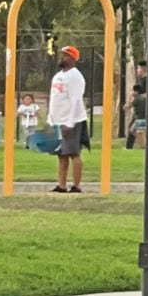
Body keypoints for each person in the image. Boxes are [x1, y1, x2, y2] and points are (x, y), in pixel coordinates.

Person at [47, 45, 89, 192]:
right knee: (61, 154)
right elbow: (55, 98)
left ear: (72, 58)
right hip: (58, 120)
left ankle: (76, 186)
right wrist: (51, 119)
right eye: (62, 55)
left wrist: (69, 123)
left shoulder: (75, 76)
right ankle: (61, 185)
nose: (62, 57)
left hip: (72, 120)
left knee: (73, 152)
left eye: (65, 55)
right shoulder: (59, 76)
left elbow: (76, 100)